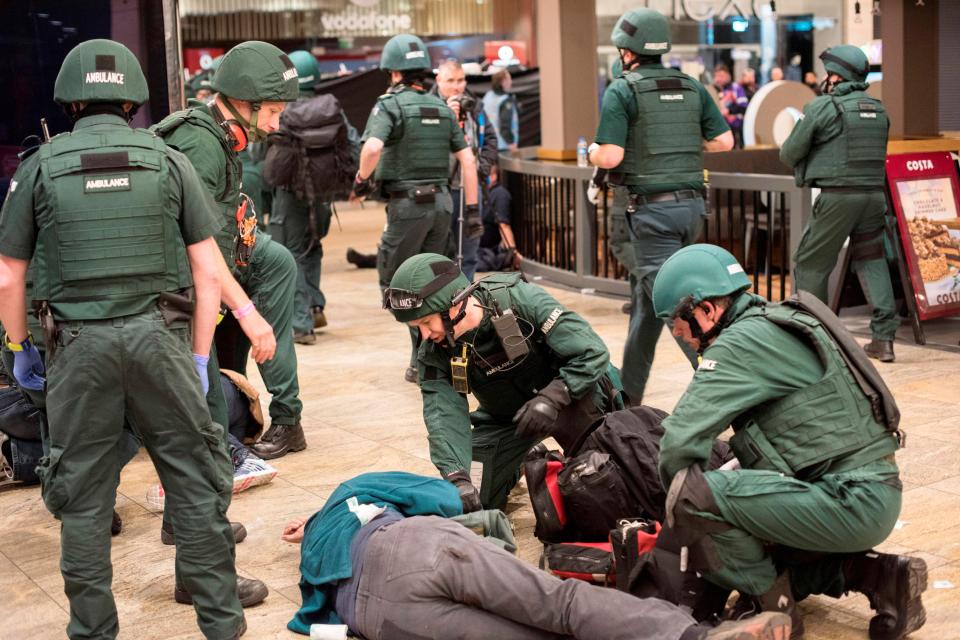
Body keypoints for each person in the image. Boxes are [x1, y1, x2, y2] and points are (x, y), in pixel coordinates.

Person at [0, 39, 246, 638]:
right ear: (133, 96)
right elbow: (207, 271)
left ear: (69, 98)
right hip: (160, 340)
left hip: (77, 350)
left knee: (83, 496)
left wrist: (18, 349)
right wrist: (196, 356)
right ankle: (220, 622)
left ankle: (93, 631)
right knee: (194, 475)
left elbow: (9, 274)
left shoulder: (37, 168)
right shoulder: (168, 161)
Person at [652, 243, 927, 640]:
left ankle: (776, 614)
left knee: (693, 498)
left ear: (707, 310)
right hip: (866, 491)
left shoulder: (739, 344)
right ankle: (883, 577)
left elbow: (678, 447)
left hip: (848, 499)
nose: (687, 342)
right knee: (742, 522)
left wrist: (679, 520)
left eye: (681, 331)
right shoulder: (773, 320)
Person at [281, 471, 790, 640]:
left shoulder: (311, 575)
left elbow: (313, 628)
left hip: (376, 616)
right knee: (560, 604)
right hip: (406, 547)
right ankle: (694, 637)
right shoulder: (350, 493)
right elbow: (449, 498)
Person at [155, 41, 308, 464]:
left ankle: (287, 417)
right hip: (182, 272)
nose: (277, 125)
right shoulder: (200, 144)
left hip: (223, 251)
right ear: (243, 102)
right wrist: (245, 312)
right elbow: (196, 248)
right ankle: (222, 416)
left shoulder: (221, 134)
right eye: (274, 112)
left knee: (276, 260)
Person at [383, 253, 623, 511]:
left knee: (605, 483)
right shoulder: (434, 352)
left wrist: (553, 397)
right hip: (506, 417)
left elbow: (591, 352)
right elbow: (443, 414)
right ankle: (525, 457)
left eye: (426, 322)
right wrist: (456, 476)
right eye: (415, 327)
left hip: (572, 398)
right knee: (471, 501)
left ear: (455, 303)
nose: (425, 335)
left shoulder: (520, 300)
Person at [588, 8, 733, 406]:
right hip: (692, 211)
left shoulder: (623, 90)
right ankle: (627, 398)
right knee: (645, 309)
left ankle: (726, 392)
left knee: (676, 306)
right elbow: (725, 142)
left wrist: (592, 151)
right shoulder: (692, 86)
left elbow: (612, 157)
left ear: (627, 50)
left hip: (651, 215)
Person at [349, 34, 479, 384]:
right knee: (437, 283)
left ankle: (422, 359)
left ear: (393, 73)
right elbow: (468, 160)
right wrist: (474, 210)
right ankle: (444, 356)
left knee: (398, 285)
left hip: (408, 206)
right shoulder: (441, 107)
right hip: (442, 204)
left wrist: (361, 179)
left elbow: (373, 147)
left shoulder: (389, 105)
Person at [780, 45, 898, 362]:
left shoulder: (823, 107)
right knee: (872, 260)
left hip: (838, 198)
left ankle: (816, 338)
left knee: (809, 262)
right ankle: (884, 338)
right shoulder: (879, 109)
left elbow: (789, 153)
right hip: (874, 197)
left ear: (835, 75)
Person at [269, 50, 360, 343]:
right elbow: (354, 143)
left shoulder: (281, 109)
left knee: (290, 254)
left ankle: (301, 323)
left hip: (290, 196)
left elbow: (264, 156)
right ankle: (315, 305)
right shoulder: (330, 108)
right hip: (323, 194)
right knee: (313, 247)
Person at [431, 58, 499, 281]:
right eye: (450, 80)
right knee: (441, 250)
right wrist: (446, 117)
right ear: (438, 80)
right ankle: (442, 299)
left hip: (471, 188)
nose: (456, 86)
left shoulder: (474, 105)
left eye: (460, 80)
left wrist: (481, 170)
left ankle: (465, 296)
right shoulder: (429, 107)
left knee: (470, 248)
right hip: (441, 188)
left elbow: (490, 139)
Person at [476, 163, 522, 272]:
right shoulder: (481, 192)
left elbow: (504, 225)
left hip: (485, 250)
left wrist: (513, 252)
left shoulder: (500, 194)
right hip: (479, 249)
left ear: (493, 176)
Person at [483, 68, 520, 152]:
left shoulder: (487, 96)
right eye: (509, 79)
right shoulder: (505, 100)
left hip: (488, 144)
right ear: (503, 82)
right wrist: (511, 143)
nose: (511, 82)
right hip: (503, 146)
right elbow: (505, 126)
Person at [713, 65, 748, 148]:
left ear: (728, 76)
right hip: (722, 130)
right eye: (716, 76)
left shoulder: (736, 88)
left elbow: (744, 107)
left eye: (721, 76)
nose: (718, 79)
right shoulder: (715, 91)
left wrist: (729, 110)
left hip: (737, 128)